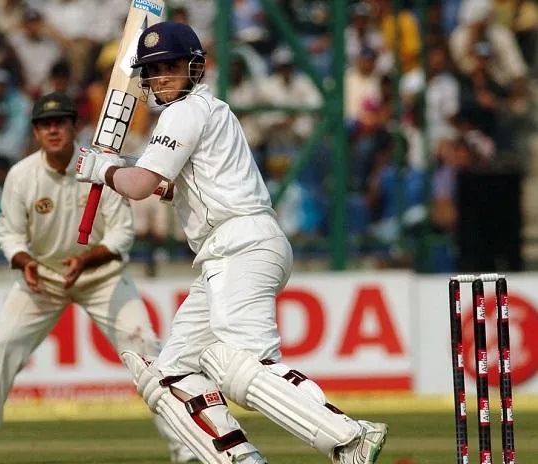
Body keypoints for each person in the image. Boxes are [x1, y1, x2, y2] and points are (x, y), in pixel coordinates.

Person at [75, 21, 388, 464]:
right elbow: (166, 187)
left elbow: (141, 184)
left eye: (171, 66)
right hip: (229, 249)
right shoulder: (209, 112)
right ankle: (240, 459)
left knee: (236, 361)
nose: (162, 77)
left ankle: (348, 436)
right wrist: (116, 164)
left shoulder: (186, 112)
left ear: (194, 67)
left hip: (238, 245)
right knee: (174, 373)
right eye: (154, 70)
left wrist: (100, 169)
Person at [0, 92, 196, 464]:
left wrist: (86, 261)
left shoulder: (100, 168)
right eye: (45, 124)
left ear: (74, 126)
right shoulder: (21, 175)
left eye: (60, 122)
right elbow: (9, 234)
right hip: (43, 279)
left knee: (147, 352)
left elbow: (120, 235)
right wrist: (23, 260)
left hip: (103, 278)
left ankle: (185, 450)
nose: (53, 130)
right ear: (35, 132)